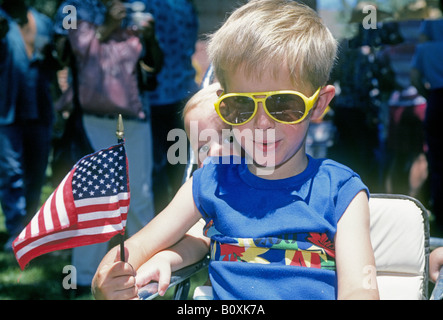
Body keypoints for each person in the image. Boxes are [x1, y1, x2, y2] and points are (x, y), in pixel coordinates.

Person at [92, 0, 379, 300]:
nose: (262, 123)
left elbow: (360, 288)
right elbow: (138, 247)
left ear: (319, 103)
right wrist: (110, 275)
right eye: (242, 105)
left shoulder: (340, 191)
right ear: (223, 103)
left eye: (284, 104)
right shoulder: (210, 182)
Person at [53, 0, 162, 290]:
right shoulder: (75, 8)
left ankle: (144, 272)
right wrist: (109, 26)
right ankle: (83, 277)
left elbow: (154, 67)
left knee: (139, 196)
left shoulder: (138, 5)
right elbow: (68, 56)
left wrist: (149, 37)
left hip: (134, 118)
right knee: (92, 198)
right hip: (91, 117)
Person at [0, 0, 58, 250]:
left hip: (40, 109)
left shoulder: (44, 23)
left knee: (36, 173)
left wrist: (52, 57)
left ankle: (30, 231)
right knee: (12, 173)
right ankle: (15, 230)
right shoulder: (1, 21)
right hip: (7, 111)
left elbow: (58, 65)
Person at [144, 0, 200, 213]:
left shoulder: (144, 4)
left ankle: (160, 228)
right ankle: (180, 225)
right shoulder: (186, 5)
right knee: (181, 168)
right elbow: (191, 43)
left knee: (153, 173)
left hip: (152, 101)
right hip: (184, 97)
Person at [410, 15, 443, 236]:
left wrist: (428, 94)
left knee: (437, 160)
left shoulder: (425, 49)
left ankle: (439, 212)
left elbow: (414, 77)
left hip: (437, 102)